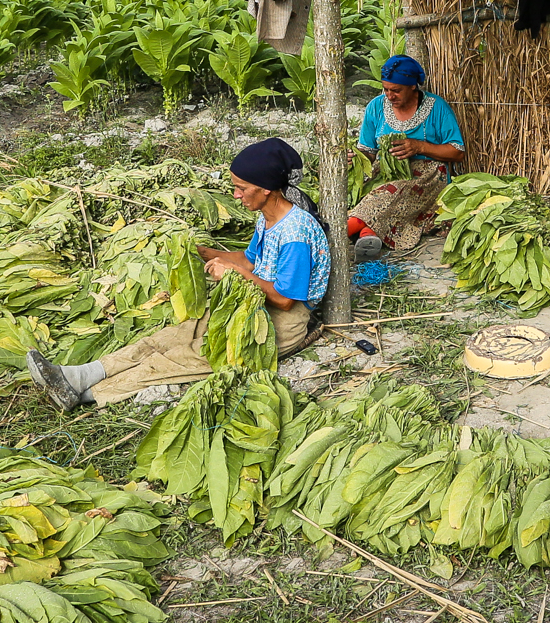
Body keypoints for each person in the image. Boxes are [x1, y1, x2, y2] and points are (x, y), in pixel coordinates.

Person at [27, 139, 327, 410]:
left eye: (242, 188)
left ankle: (88, 394)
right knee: (171, 336)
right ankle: (79, 375)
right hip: (252, 304)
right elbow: (250, 261)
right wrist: (199, 252)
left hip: (282, 322)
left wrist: (234, 273)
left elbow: (285, 300)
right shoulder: (268, 219)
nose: (236, 195)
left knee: (190, 356)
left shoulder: (295, 234)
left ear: (265, 188)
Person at [348, 54, 465, 260]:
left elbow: (457, 151)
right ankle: (368, 235)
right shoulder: (376, 107)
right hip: (385, 170)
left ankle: (335, 234)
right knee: (374, 193)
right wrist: (356, 157)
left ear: (413, 86)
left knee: (390, 194)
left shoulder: (436, 108)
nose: (390, 96)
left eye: (396, 90)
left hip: (427, 176)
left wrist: (420, 146)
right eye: (386, 89)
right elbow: (368, 150)